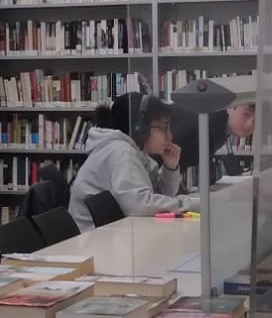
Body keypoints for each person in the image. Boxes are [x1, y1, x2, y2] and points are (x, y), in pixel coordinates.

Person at [69, 94, 253, 227]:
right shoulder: (120, 151)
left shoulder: (134, 151)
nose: (170, 136)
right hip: (93, 242)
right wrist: (199, 204)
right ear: (140, 128)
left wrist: (170, 168)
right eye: (164, 128)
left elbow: (161, 196)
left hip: (112, 234)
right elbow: (140, 206)